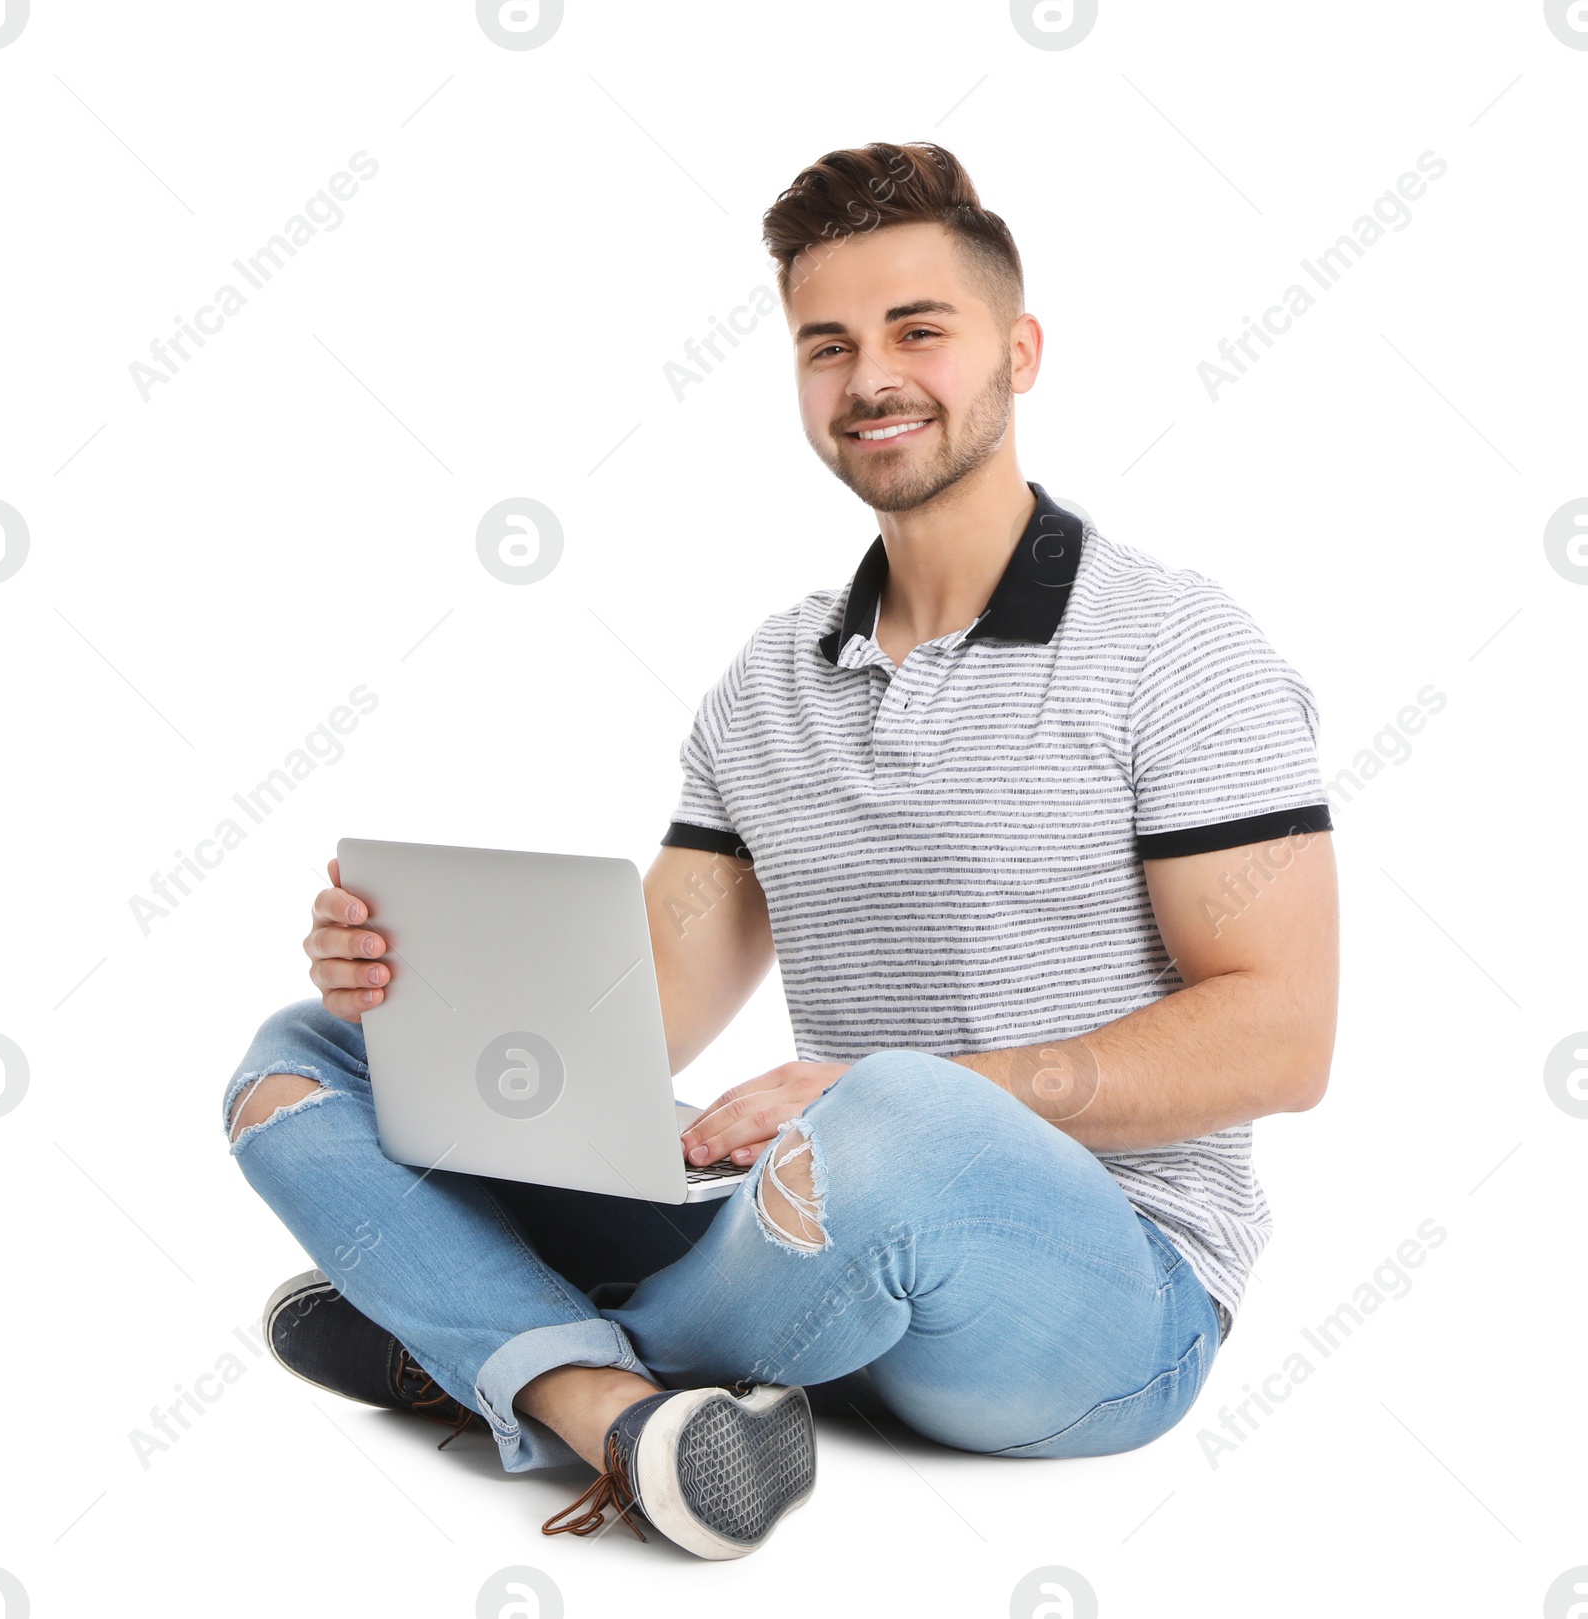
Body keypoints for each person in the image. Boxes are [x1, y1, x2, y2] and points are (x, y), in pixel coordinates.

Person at [222, 140, 1339, 1561]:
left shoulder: (1177, 648)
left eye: (918, 331)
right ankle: (612, 1408)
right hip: (802, 1232)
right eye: (829, 344)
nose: (872, 377)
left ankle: (477, 1340)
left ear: (1022, 351)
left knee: (899, 1122)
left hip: (1109, 1293)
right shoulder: (771, 680)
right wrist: (422, 989)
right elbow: (635, 1025)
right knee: (300, 1055)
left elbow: (1284, 1037)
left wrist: (903, 1092)